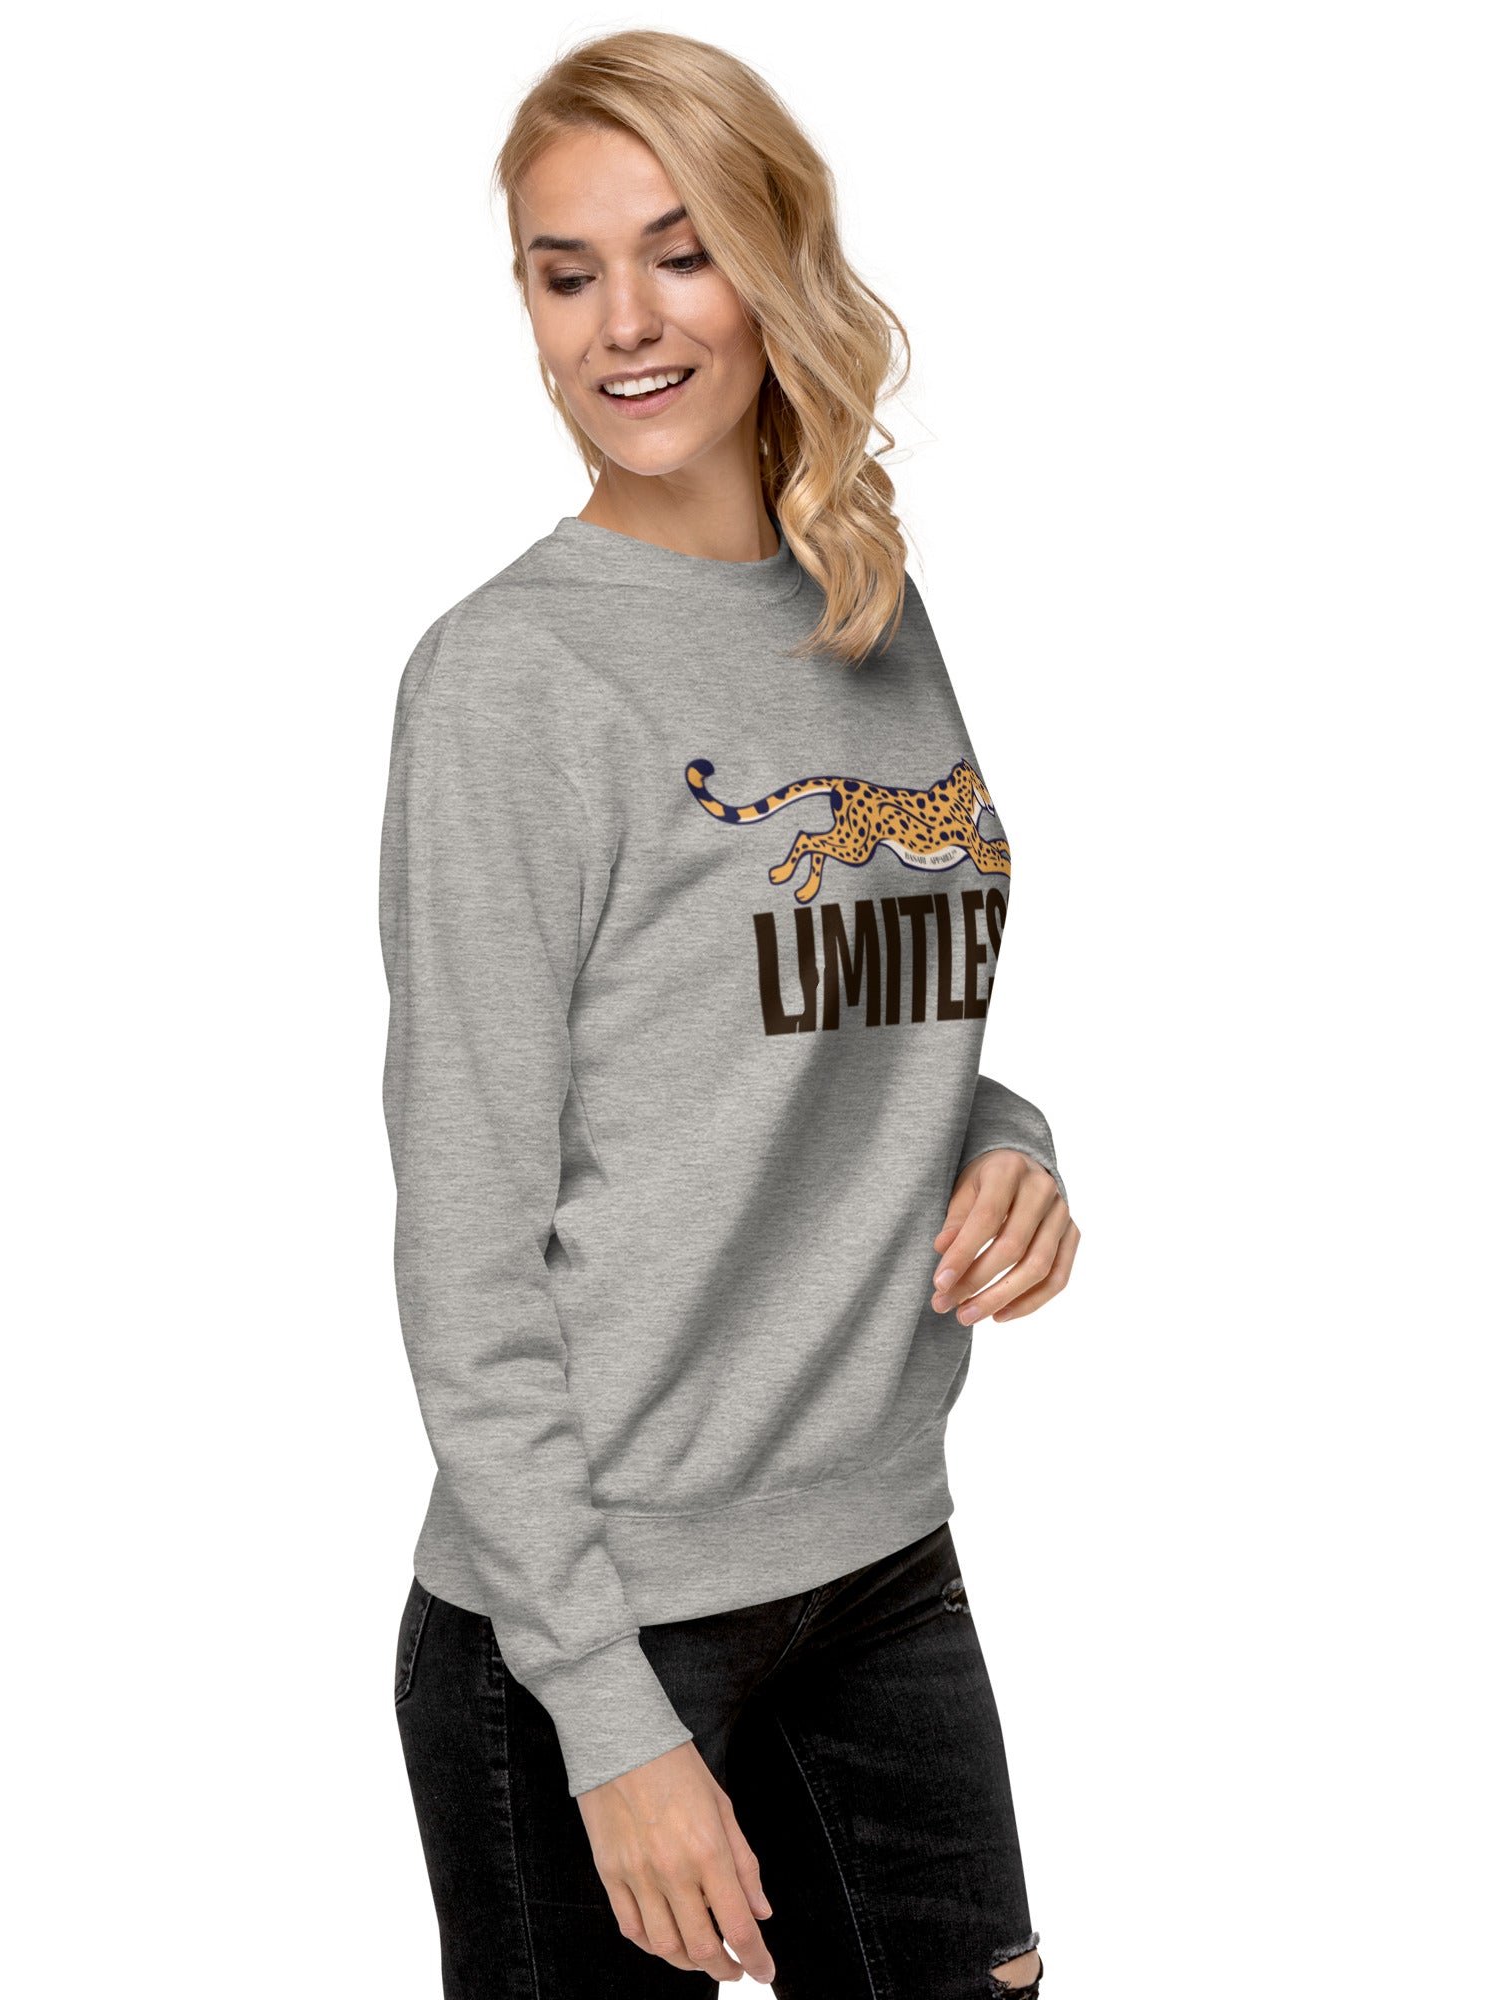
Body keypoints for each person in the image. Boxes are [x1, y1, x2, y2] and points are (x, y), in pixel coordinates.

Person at [378, 30, 1079, 1999]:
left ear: (776, 261)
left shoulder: (867, 606)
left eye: (679, 252)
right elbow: (465, 1246)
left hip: (881, 1565)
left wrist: (1007, 1146)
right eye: (565, 270)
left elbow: (831, 1038)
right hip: (596, 1611)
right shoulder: (512, 682)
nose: (623, 321)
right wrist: (604, 1716)